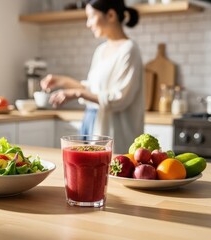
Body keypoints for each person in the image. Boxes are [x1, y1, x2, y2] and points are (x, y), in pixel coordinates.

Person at [40, 0, 144, 154]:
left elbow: (119, 99)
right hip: (90, 123)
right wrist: (62, 81)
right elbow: (92, 90)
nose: (88, 24)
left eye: (91, 17)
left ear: (110, 15)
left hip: (113, 133)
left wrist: (76, 93)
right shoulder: (101, 50)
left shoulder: (129, 50)